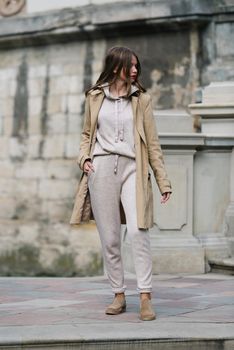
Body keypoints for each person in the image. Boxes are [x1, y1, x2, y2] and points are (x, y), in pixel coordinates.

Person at [70, 46, 172, 321]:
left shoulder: (142, 99)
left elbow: (152, 144)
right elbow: (86, 134)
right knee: (111, 238)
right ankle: (118, 294)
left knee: (139, 231)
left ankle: (145, 296)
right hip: (101, 168)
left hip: (133, 168)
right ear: (116, 67)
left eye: (137, 65)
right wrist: (84, 158)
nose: (136, 70)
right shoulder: (94, 97)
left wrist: (163, 181)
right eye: (131, 65)